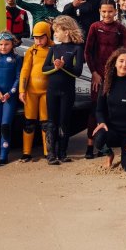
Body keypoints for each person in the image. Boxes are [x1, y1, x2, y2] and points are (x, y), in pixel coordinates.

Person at [83, 0, 126, 159]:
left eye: (110, 11)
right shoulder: (95, 27)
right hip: (98, 75)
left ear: (115, 11)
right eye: (104, 11)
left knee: (113, 107)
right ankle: (90, 145)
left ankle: (108, 145)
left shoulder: (120, 28)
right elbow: (87, 52)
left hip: (116, 76)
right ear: (99, 11)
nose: (107, 14)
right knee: (95, 108)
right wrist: (94, 73)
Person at [93, 49, 126, 171]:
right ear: (115, 63)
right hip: (112, 131)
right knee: (99, 136)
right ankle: (109, 154)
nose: (124, 65)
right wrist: (101, 122)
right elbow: (99, 110)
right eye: (121, 61)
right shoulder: (107, 83)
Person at [42, 15, 85, 164]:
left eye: (57, 31)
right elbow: (44, 69)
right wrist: (55, 67)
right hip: (52, 90)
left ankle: (63, 153)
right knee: (51, 122)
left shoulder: (77, 48)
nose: (54, 34)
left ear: (66, 31)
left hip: (67, 91)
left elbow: (77, 71)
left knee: (64, 122)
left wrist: (63, 66)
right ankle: (51, 154)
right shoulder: (54, 48)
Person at [0, 31, 23, 166]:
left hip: (9, 98)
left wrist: (10, 93)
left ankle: (3, 156)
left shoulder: (17, 59)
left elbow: (19, 77)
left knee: (5, 126)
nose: (3, 47)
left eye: (6, 44)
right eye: (0, 44)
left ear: (12, 44)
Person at [19, 22, 52, 161]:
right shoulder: (31, 51)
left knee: (45, 123)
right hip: (31, 92)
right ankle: (26, 152)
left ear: (48, 35)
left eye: (41, 37)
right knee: (29, 122)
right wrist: (22, 90)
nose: (38, 41)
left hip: (46, 92)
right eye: (35, 38)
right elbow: (25, 71)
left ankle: (47, 152)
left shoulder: (54, 49)